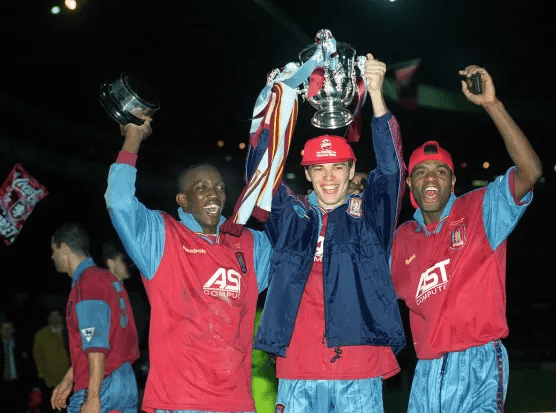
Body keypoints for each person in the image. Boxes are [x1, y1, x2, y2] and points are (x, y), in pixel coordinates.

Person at [248, 54, 406, 412]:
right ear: (306, 174)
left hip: (358, 368)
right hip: (297, 370)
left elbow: (392, 172)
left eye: (338, 168)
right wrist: (272, 106)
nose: (329, 178)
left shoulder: (370, 217)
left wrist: (377, 94)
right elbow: (259, 176)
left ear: (352, 170)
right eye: (319, 169)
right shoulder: (291, 218)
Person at [390, 65, 543, 412]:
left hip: (479, 363)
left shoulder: (480, 209)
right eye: (421, 172)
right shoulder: (400, 240)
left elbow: (530, 171)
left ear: (452, 182)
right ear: (410, 186)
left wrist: (492, 104)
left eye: (440, 171)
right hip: (426, 371)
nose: (431, 178)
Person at [104, 116, 272, 413]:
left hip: (237, 402)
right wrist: (133, 137)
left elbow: (298, 247)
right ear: (183, 200)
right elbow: (119, 201)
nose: (213, 193)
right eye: (202, 187)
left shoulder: (249, 243)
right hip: (179, 402)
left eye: (219, 187)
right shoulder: (162, 237)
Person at [50, 222, 140, 413]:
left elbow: (96, 345)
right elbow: (105, 337)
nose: (52, 257)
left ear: (64, 248)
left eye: (53, 250)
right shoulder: (107, 278)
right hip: (125, 380)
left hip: (103, 384)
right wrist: (69, 378)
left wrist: (92, 398)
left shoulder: (87, 284)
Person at [33, 309, 70, 413]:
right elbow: (38, 357)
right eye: (52, 316)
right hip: (50, 381)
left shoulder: (70, 332)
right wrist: (42, 376)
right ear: (48, 318)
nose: (55, 318)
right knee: (51, 408)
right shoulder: (41, 335)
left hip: (69, 380)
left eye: (57, 316)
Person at [1, 317, 36, 411]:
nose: (7, 331)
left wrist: (32, 385)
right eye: (4, 329)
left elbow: (29, 366)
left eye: (9, 329)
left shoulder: (21, 345)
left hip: (18, 386)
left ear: (13, 330)